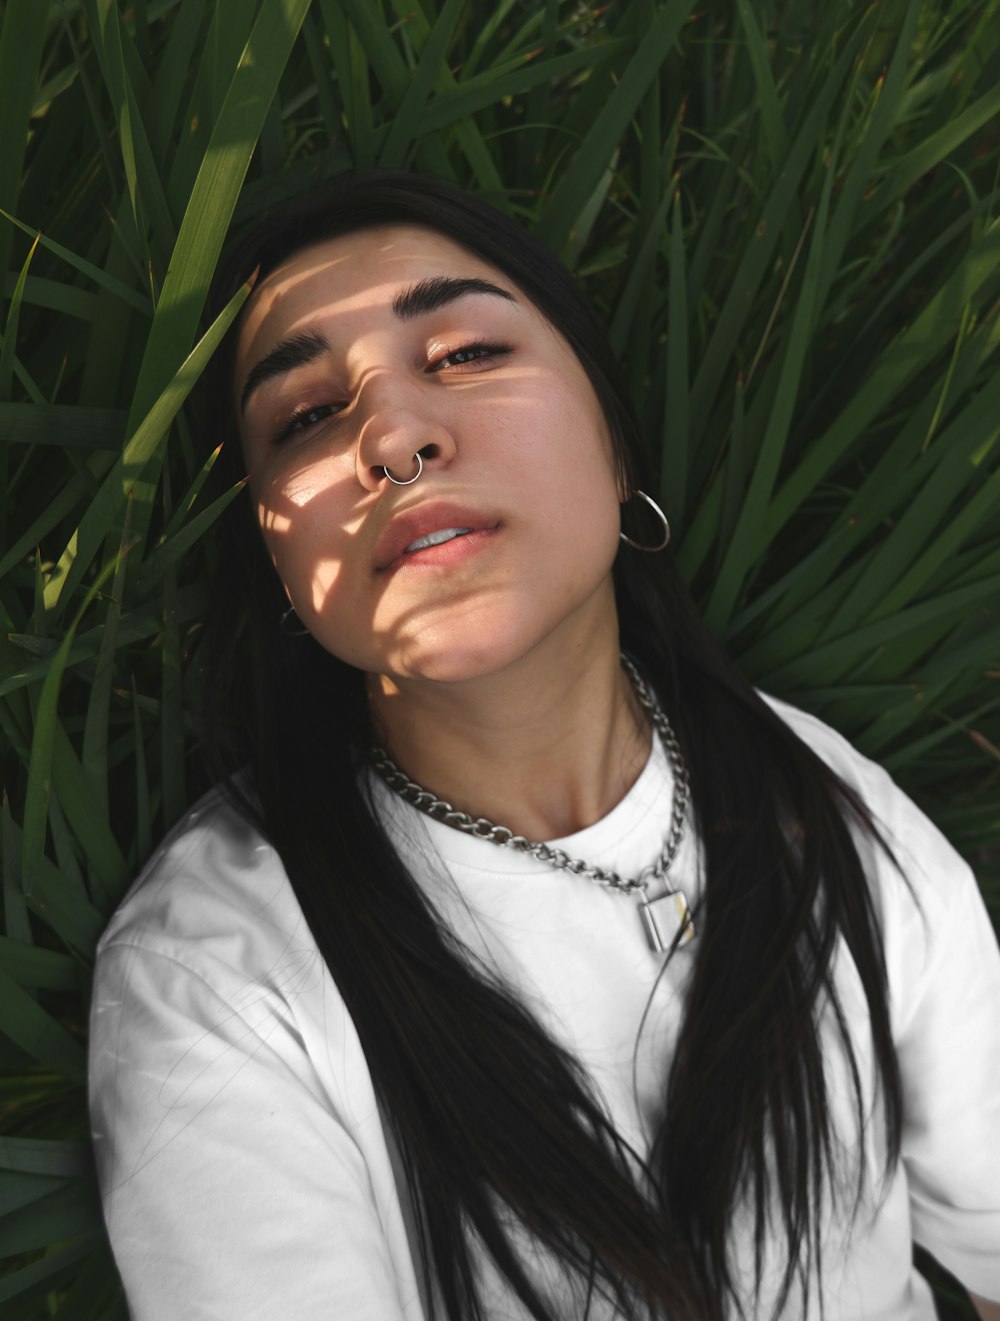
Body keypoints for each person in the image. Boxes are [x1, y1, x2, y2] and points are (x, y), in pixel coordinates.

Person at [87, 171, 1000, 1321]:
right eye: (305, 417)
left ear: (617, 451)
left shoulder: (817, 798)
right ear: (276, 564)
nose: (395, 435)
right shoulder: (221, 982)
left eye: (465, 350)